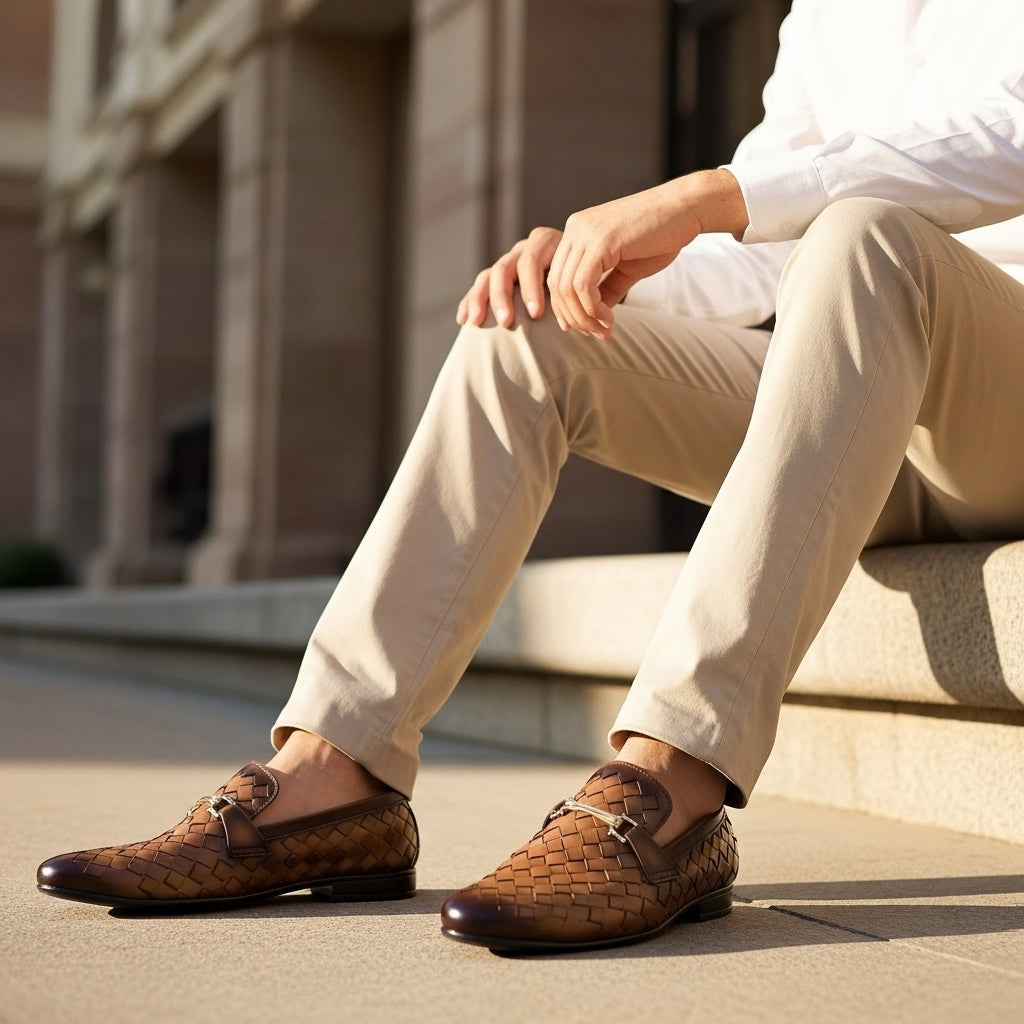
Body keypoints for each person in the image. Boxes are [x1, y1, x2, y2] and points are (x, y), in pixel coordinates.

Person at [37, 0, 1024, 953]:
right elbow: (763, 244)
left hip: (1000, 407)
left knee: (864, 234)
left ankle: (670, 779)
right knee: (528, 331)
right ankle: (333, 773)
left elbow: (1004, 136)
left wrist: (703, 196)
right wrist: (597, 272)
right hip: (856, 402)